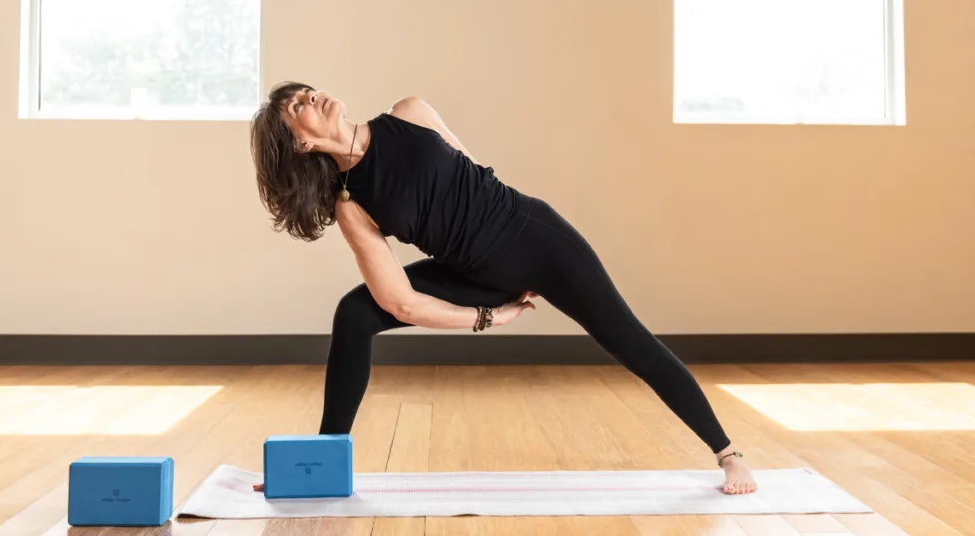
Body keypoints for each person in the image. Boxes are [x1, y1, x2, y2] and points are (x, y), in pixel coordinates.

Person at [248, 81, 757, 495]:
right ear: (301, 143)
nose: (313, 96)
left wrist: (511, 257)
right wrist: (484, 318)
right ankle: (320, 463)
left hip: (537, 241)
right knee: (354, 314)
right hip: (472, 276)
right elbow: (397, 300)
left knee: (631, 343)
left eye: (309, 90)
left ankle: (729, 456)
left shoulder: (408, 111)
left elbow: (477, 173)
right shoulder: (351, 202)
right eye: (298, 104)